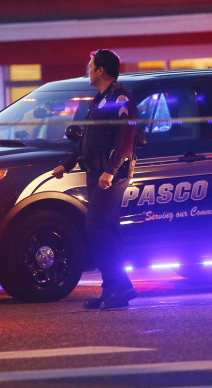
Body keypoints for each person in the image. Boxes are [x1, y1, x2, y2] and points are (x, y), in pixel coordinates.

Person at [51, 49, 138, 309]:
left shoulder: (120, 98)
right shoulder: (99, 100)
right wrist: (65, 165)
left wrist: (111, 170)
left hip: (110, 175)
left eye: (90, 65)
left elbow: (126, 138)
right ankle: (112, 290)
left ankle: (121, 286)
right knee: (105, 229)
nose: (87, 69)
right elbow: (87, 141)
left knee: (98, 227)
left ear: (101, 70)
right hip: (96, 173)